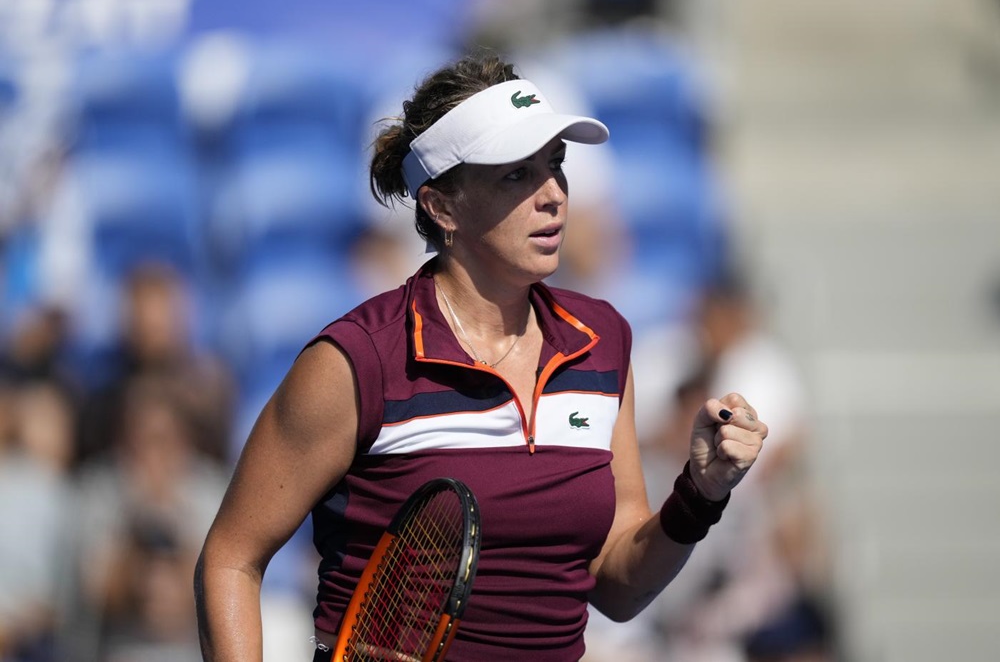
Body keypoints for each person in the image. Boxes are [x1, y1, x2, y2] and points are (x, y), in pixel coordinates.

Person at [195, 52, 767, 661]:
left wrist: (701, 493)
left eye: (556, 165)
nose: (554, 196)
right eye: (517, 176)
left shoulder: (603, 342)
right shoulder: (357, 361)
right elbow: (230, 558)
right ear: (442, 206)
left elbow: (618, 588)